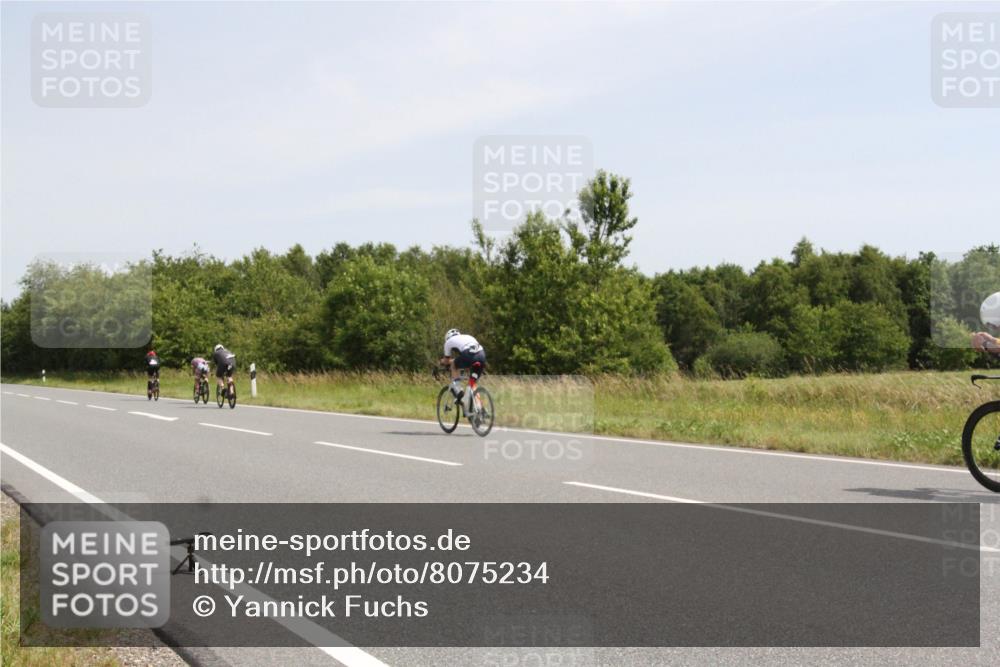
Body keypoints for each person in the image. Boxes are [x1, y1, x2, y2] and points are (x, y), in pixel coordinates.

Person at [439, 328, 486, 403]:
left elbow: (447, 360)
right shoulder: (468, 336)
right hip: (481, 355)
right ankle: (479, 408)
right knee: (472, 384)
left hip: (468, 355)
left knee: (453, 365)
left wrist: (441, 362)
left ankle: (458, 390)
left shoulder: (448, 342)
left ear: (447, 338)